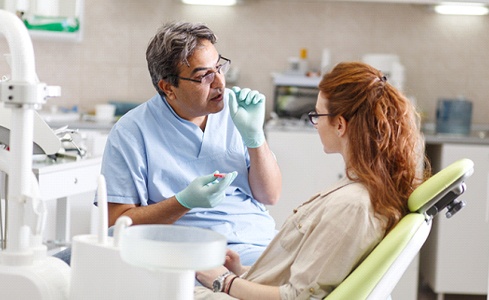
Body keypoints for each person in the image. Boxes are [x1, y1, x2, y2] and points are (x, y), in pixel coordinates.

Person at [194, 61, 431, 299]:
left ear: (340, 124)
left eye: (317, 115)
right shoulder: (364, 191)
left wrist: (224, 281)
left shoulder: (352, 205)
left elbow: (297, 297)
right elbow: (308, 275)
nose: (315, 124)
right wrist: (243, 272)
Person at [99, 21, 282, 267]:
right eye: (204, 75)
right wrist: (184, 202)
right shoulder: (132, 132)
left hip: (259, 244)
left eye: (219, 67)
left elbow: (270, 195)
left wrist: (255, 138)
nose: (219, 82)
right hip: (189, 254)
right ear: (168, 87)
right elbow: (117, 224)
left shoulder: (236, 110)